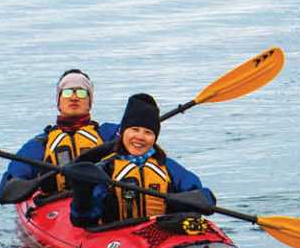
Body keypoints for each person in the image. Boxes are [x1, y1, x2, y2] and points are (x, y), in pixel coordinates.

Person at [65, 93, 212, 226]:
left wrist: (196, 200)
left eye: (148, 132)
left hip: (162, 234)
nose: (140, 137)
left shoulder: (168, 167)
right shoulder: (106, 170)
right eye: (134, 130)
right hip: (118, 238)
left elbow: (202, 193)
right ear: (123, 133)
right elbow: (84, 219)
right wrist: (82, 193)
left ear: (155, 138)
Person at [0, 69, 121, 196]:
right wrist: (16, 184)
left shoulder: (109, 134)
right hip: (55, 205)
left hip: (99, 203)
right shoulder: (40, 144)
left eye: (81, 92)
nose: (74, 97)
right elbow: (6, 187)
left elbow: (136, 131)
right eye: (67, 92)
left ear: (89, 102)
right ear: (59, 102)